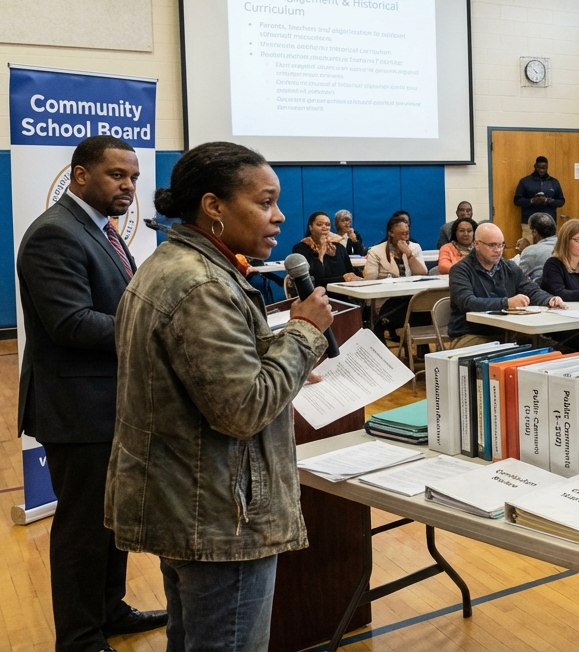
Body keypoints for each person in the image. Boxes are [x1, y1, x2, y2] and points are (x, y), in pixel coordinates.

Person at [107, 141, 331, 650]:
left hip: (191, 500)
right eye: (265, 202)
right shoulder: (204, 284)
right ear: (214, 207)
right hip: (221, 517)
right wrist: (301, 335)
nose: (279, 217)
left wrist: (275, 352)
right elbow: (243, 410)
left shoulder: (174, 264)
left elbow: (199, 374)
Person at [16, 135, 167, 651]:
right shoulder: (55, 234)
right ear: (80, 175)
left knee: (112, 518)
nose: (128, 185)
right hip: (76, 409)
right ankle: (79, 638)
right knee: (83, 529)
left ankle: (109, 610)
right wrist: (157, 328)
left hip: (110, 405)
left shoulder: (100, 228)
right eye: (116, 175)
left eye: (133, 177)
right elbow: (71, 323)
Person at [448, 222, 566, 348]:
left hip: (508, 332)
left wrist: (549, 299)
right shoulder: (460, 270)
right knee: (507, 354)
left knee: (557, 349)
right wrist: (507, 303)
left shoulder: (509, 267)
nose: (498, 250)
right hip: (471, 334)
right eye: (492, 245)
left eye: (501, 245)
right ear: (476, 244)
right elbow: (468, 302)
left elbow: (531, 290)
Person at [364, 214, 428, 336]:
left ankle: (420, 349)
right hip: (386, 298)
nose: (405, 237)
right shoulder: (376, 251)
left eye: (407, 233)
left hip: (410, 297)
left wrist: (408, 254)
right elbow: (369, 279)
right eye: (402, 234)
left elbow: (422, 273)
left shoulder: (414, 248)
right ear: (391, 233)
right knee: (416, 312)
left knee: (423, 309)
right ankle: (387, 330)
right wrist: (385, 277)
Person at [292, 211, 361, 289]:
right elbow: (314, 279)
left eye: (328, 224)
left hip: (343, 293)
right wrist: (321, 253)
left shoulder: (339, 247)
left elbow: (350, 273)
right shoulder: (301, 248)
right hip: (318, 294)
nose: (324, 227)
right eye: (319, 224)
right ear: (310, 227)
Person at [513, 156, 564, 241]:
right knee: (528, 248)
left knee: (550, 250)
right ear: (535, 166)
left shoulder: (554, 182)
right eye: (539, 167)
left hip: (549, 224)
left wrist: (547, 200)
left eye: (544, 168)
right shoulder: (525, 181)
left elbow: (561, 201)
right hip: (529, 224)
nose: (542, 170)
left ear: (547, 167)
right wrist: (532, 200)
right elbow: (517, 200)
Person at [516, 212, 559, 281]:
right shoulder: (566, 246)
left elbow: (519, 277)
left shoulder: (530, 251)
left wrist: (525, 250)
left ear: (534, 232)